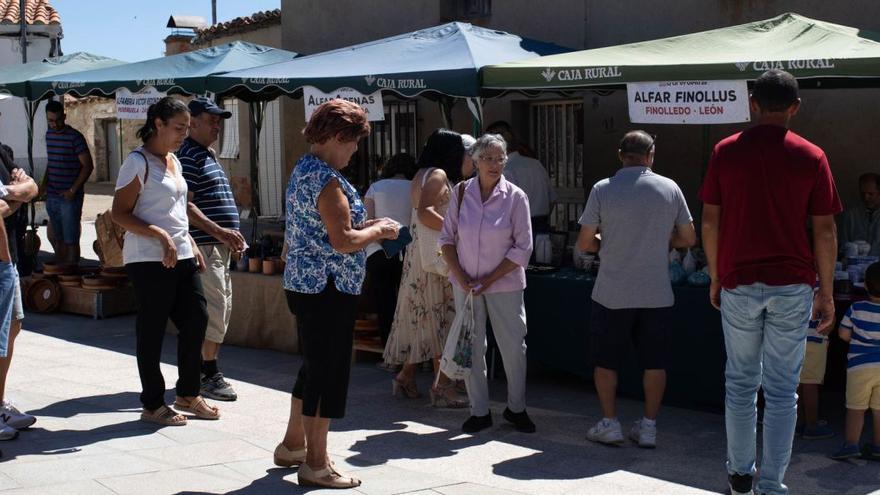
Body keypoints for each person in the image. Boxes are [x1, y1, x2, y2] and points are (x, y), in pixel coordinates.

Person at [700, 69, 841, 495]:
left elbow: (710, 220)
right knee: (782, 391)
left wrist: (715, 275)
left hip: (740, 281)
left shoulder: (726, 151)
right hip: (792, 283)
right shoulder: (812, 156)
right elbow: (826, 230)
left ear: (752, 104)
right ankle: (773, 483)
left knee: (741, 384)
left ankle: (741, 476)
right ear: (795, 107)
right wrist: (828, 294)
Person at [275, 99, 399, 489]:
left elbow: (329, 227)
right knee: (325, 375)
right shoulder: (326, 178)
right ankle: (315, 464)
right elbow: (343, 240)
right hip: (327, 288)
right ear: (335, 137)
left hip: (307, 285)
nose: (355, 151)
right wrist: (378, 232)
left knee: (313, 367)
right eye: (353, 142)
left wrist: (370, 223)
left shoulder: (304, 169)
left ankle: (293, 445)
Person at [577, 131, 696, 448]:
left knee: (606, 362)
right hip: (656, 292)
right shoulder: (670, 188)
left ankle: (610, 423)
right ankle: (649, 426)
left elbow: (585, 243)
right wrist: (663, 240)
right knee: (655, 363)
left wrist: (607, 241)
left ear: (621, 155)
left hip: (612, 292)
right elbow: (688, 238)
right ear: (651, 154)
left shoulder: (603, 189)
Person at [111, 97, 217, 427]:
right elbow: (119, 213)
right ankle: (153, 403)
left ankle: (187, 392)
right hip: (148, 260)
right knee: (153, 330)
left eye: (187, 128)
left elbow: (178, 208)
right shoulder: (137, 162)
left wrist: (192, 242)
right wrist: (157, 232)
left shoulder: (174, 160)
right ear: (158, 124)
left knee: (197, 320)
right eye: (179, 128)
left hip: (182, 254)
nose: (184, 134)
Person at [440, 133, 535, 434]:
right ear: (476, 161)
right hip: (465, 284)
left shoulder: (516, 197)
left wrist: (488, 279)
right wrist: (462, 275)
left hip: (504, 284)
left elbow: (523, 248)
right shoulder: (460, 192)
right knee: (472, 346)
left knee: (513, 347)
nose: (495, 164)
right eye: (488, 158)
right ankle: (478, 410)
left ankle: (516, 407)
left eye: (500, 158)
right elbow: (446, 239)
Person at [382, 129, 469, 408]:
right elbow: (425, 213)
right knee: (442, 320)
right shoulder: (438, 175)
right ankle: (441, 388)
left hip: (419, 256)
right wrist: (456, 232)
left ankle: (406, 376)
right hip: (435, 257)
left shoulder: (422, 173)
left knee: (424, 320)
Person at [178, 97, 247, 402]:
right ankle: (208, 373)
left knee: (222, 308)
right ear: (192, 122)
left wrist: (231, 236)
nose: (217, 126)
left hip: (218, 245)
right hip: (204, 245)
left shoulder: (208, 154)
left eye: (219, 121)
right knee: (215, 310)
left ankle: (205, 371)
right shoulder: (188, 156)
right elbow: (186, 203)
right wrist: (219, 231)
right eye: (212, 120)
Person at [0, 142, 38, 440]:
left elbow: (33, 187)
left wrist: (9, 195)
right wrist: (17, 196)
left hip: (8, 255)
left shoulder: (2, 150)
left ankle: (0, 403)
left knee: (12, 328)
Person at [364, 153, 417, 346]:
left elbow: (367, 222)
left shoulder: (375, 188)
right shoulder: (415, 187)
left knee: (385, 303)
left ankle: (390, 352)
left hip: (378, 250)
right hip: (408, 250)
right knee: (410, 303)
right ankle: (414, 353)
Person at [832, 262, 880, 461]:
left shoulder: (856, 307)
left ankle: (851, 444)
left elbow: (843, 334)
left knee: (856, 407)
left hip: (859, 366)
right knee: (879, 409)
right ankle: (878, 447)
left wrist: (858, 340)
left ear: (865, 286)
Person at [43, 100, 93, 265]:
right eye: (50, 121)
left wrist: (73, 190)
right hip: (52, 194)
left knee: (71, 241)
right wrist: (43, 185)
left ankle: (71, 274)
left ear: (64, 116)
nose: (55, 124)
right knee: (57, 239)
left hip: (70, 197)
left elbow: (88, 166)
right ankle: (60, 275)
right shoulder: (48, 135)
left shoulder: (75, 137)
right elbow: (51, 163)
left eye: (58, 120)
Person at [486, 121, 555, 233]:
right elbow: (552, 200)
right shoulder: (536, 164)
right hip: (542, 229)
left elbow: (502, 208)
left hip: (518, 231)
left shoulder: (505, 170)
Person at [797, 319, 834, 440]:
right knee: (810, 383)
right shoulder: (823, 298)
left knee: (797, 382)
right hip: (814, 340)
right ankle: (812, 426)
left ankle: (798, 423)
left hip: (792, 338)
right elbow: (829, 321)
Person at [838, 173, 880, 255]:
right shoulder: (851, 215)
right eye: (862, 194)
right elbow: (842, 245)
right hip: (855, 265)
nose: (866, 198)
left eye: (871, 194)